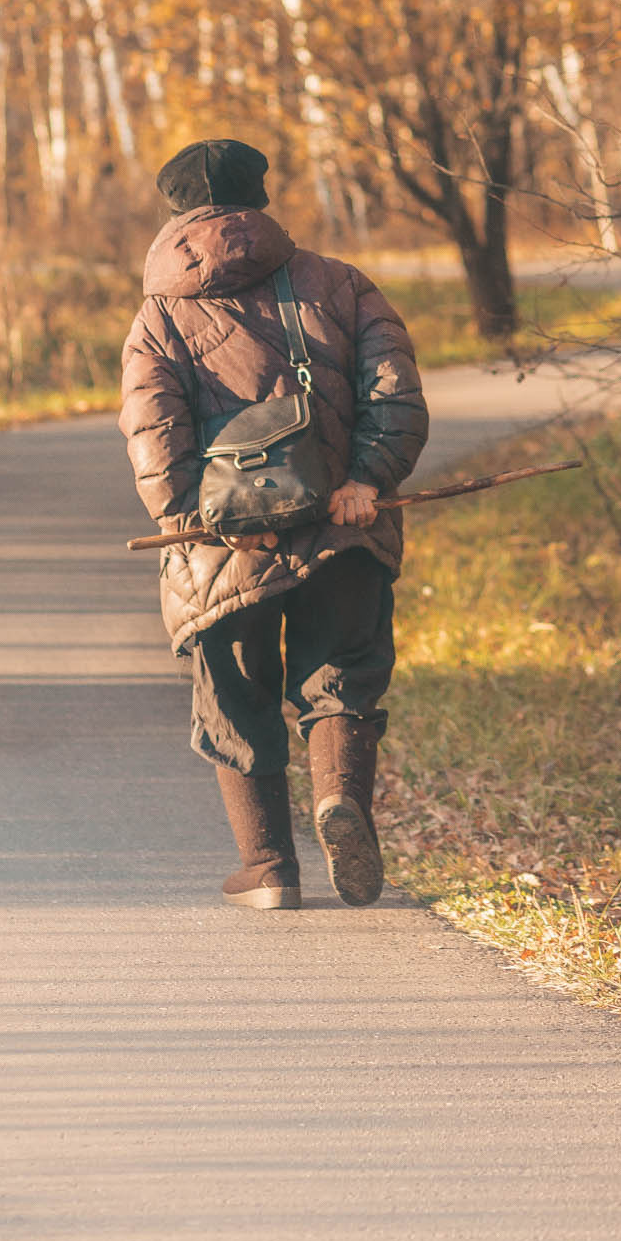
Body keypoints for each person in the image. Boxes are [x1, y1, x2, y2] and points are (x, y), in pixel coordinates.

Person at [120, 135, 429, 909]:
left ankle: (266, 871)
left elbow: (153, 432)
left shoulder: (159, 315)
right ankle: (338, 800)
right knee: (342, 676)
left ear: (176, 210)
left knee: (234, 693)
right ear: (260, 196)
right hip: (343, 526)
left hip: (224, 549)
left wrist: (203, 519)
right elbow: (396, 392)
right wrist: (367, 479)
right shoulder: (340, 283)